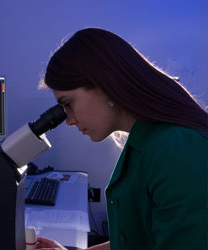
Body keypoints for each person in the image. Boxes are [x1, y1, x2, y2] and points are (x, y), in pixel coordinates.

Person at [36, 28, 208, 250]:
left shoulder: (177, 150)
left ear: (106, 84)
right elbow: (136, 240)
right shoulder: (146, 141)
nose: (69, 121)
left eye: (68, 104)